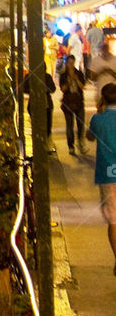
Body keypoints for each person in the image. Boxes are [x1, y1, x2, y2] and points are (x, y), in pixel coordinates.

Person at [86, 81, 116, 275]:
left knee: (114, 220)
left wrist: (99, 110)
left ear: (103, 98)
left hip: (107, 173)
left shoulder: (98, 119)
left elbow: (89, 137)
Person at [59, 54, 87, 155]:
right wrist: (69, 81)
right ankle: (71, 146)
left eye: (72, 63)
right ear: (67, 63)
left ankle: (81, 143)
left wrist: (76, 79)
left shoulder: (79, 74)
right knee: (69, 125)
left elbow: (82, 86)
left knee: (81, 124)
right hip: (68, 102)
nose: (71, 65)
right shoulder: (63, 75)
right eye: (69, 63)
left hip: (78, 101)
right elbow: (63, 89)